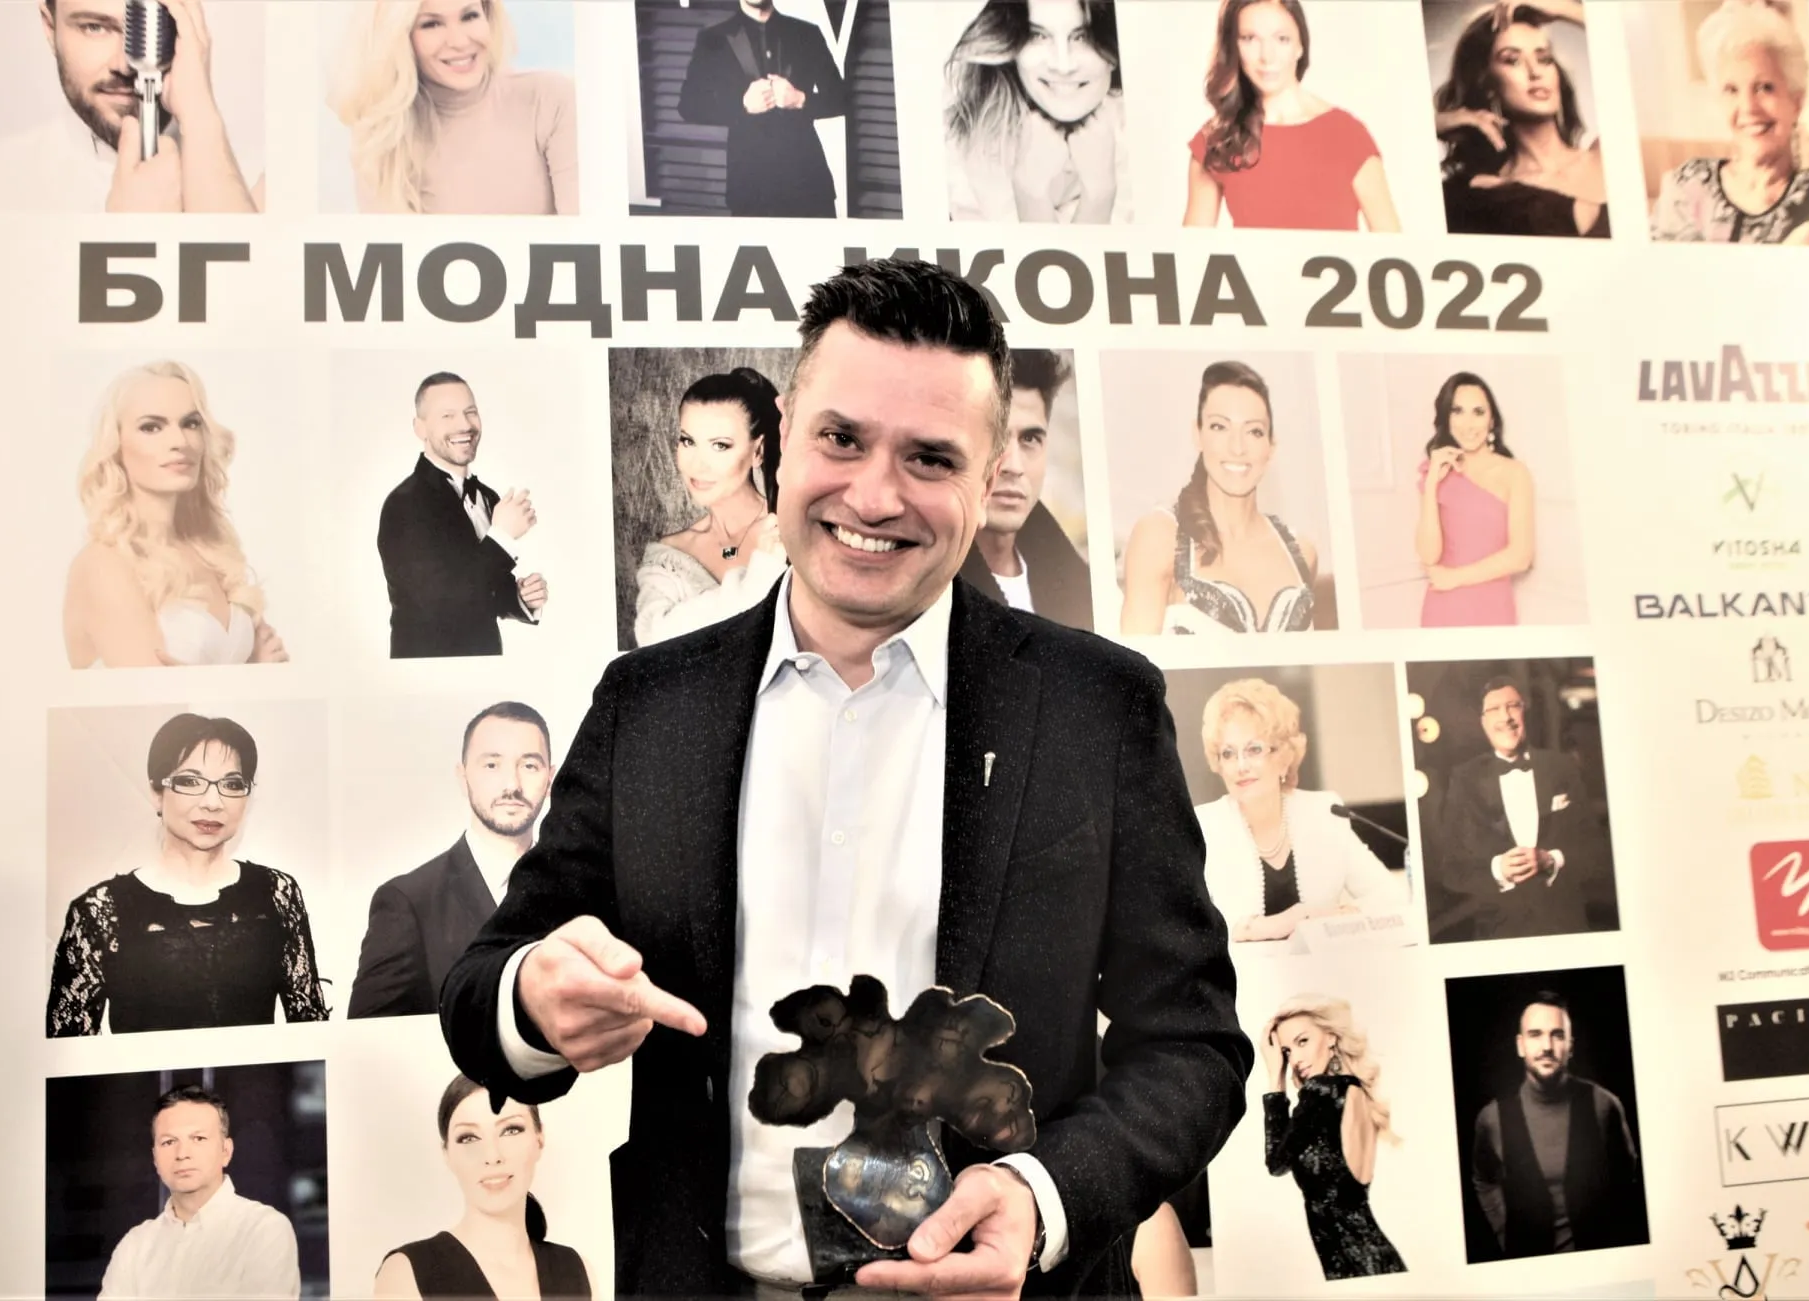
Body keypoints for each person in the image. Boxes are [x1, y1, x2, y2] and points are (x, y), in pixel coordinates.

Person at [439, 259, 1251, 1297]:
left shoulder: (1097, 707)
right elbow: (484, 984)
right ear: (783, 434)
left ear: (988, 474)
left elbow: (1190, 1044)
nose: (874, 494)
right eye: (841, 438)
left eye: (930, 457)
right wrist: (532, 1000)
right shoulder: (649, 703)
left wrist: (1044, 1194)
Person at [47, 714, 330, 1035]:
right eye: (191, 782)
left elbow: (311, 1029)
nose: (213, 802)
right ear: (156, 792)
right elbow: (69, 1045)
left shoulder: (277, 892)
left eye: (232, 784)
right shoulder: (100, 910)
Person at [63, 361, 288, 669]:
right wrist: (255, 671)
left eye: (191, 424)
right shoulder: (102, 565)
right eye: (151, 427)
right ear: (116, 446)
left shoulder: (210, 553)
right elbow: (154, 694)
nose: (180, 442)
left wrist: (256, 667)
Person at [0, 0, 261, 212]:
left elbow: (245, 287)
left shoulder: (256, 183)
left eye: (155, 25)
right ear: (50, 28)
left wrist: (201, 118)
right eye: (94, 27)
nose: (124, 65)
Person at [351, 703, 556, 1019]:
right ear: (463, 777)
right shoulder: (408, 902)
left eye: (529, 766)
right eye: (492, 765)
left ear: (550, 778)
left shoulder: (581, 891)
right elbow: (370, 1039)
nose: (512, 785)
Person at [1194, 679, 1405, 944]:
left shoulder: (1323, 813)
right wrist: (1284, 922)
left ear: (1284, 757)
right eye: (1228, 753)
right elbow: (1183, 926)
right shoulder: (1206, 826)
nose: (1241, 765)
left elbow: (1391, 898)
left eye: (1254, 749)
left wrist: (1337, 917)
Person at [1120, 360, 1319, 635]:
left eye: (1254, 431)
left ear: (1271, 446)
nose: (1237, 448)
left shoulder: (1303, 553)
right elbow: (1129, 660)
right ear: (1198, 434)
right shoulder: (1159, 537)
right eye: (1219, 427)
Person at [330, 0, 577, 215]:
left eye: (469, 16)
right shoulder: (382, 137)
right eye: (431, 24)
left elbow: (583, 242)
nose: (459, 41)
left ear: (488, 17)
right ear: (399, 38)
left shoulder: (550, 100)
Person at [1184, 0, 1400, 231]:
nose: (1267, 56)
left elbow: (1392, 246)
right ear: (1233, 46)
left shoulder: (1347, 134)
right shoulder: (1217, 140)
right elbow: (1193, 249)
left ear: (1300, 46)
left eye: (1282, 39)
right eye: (1249, 38)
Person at [379, 371, 549, 659]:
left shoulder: (488, 497)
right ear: (420, 428)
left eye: (471, 412)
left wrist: (520, 598)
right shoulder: (403, 505)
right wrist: (503, 537)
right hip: (425, 669)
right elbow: (441, 602)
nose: (465, 425)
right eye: (447, 416)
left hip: (488, 665)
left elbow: (484, 588)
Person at [374, 1075, 589, 1299]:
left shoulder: (576, 1270)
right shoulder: (405, 1274)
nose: (492, 1156)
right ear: (447, 1154)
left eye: (511, 1130)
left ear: (539, 1139)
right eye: (469, 1138)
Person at [1470, 992, 1647, 1257]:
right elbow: (1484, 1179)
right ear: (1520, 1045)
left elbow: (1627, 1175)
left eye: (1557, 1035)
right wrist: (1503, 1232)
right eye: (1535, 1035)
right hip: (1528, 1265)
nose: (1547, 1046)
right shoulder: (1492, 1118)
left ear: (1570, 1047)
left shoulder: (1603, 1105)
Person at [1434, 677, 1603, 941]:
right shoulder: (1464, 779)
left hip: (1565, 927)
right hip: (1499, 934)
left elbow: (1595, 850)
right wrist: (1498, 869)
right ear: (1482, 721)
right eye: (1494, 709)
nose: (1506, 717)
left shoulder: (1561, 767)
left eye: (1513, 706)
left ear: (1525, 712)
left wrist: (1552, 860)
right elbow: (1451, 870)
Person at [99, 1085, 301, 1300]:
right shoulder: (135, 1245)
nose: (182, 1154)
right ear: (155, 1158)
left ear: (226, 1151)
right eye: (169, 1142)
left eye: (198, 1139)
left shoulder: (263, 1229)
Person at [633, 367, 787, 648]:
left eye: (720, 446)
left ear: (758, 451)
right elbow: (653, 640)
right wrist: (761, 574)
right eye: (688, 441)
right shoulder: (671, 556)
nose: (698, 465)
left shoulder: (789, 529)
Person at [1432, 0, 1609, 237]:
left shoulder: (1608, 154)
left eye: (1544, 59)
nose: (1535, 72)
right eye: (1512, 60)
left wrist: (1564, 9)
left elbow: (1644, 62)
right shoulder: (1485, 193)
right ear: (1487, 86)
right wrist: (1436, 124)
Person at [942, 0, 1129, 224]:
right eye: (1039, 35)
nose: (1063, 66)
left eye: (1082, 37)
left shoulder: (1146, 128)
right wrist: (1031, 193)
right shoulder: (967, 140)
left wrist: (1100, 192)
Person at [1262, 996, 1407, 1281]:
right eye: (1287, 1051)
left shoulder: (1321, 1093)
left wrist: (1275, 1080)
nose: (1295, 1059)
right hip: (1376, 1265)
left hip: (1358, 1271)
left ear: (1330, 1037)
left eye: (1303, 1041)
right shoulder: (1352, 1090)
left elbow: (1276, 1163)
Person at [1651, 0, 1809, 244]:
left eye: (1764, 88)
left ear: (1796, 102)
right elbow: (1651, 266)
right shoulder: (1688, 187)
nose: (1748, 107)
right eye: (1731, 90)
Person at [956, 348, 1091, 629]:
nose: (1013, 466)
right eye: (995, 439)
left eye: (1030, 438)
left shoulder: (1081, 586)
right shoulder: (923, 593)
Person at [676, 0, 843, 218]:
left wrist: (801, 99)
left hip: (809, 184)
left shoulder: (807, 33)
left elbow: (842, 99)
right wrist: (741, 104)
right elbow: (689, 105)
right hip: (751, 189)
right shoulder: (712, 38)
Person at [1416, 372, 1534, 628]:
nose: (1468, 424)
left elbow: (1521, 556)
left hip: (1491, 606)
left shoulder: (1514, 473)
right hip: (1442, 608)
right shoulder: (1435, 472)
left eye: (1478, 412)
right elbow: (1429, 555)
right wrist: (1432, 482)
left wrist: (1455, 578)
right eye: (1458, 411)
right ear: (1446, 417)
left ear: (1492, 420)